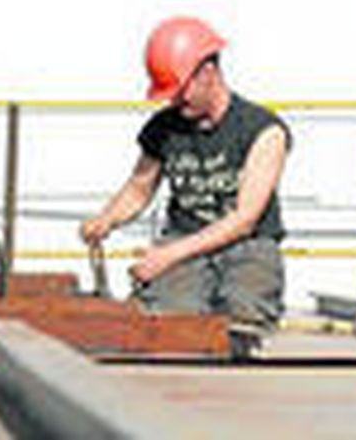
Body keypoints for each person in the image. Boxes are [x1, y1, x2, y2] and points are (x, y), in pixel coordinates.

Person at [79, 17, 290, 329]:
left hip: (248, 247)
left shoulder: (264, 131)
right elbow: (139, 189)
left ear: (208, 72)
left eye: (179, 90)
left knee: (242, 313)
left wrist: (167, 256)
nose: (174, 100)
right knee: (171, 321)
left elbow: (244, 220)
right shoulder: (164, 128)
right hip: (184, 243)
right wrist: (106, 219)